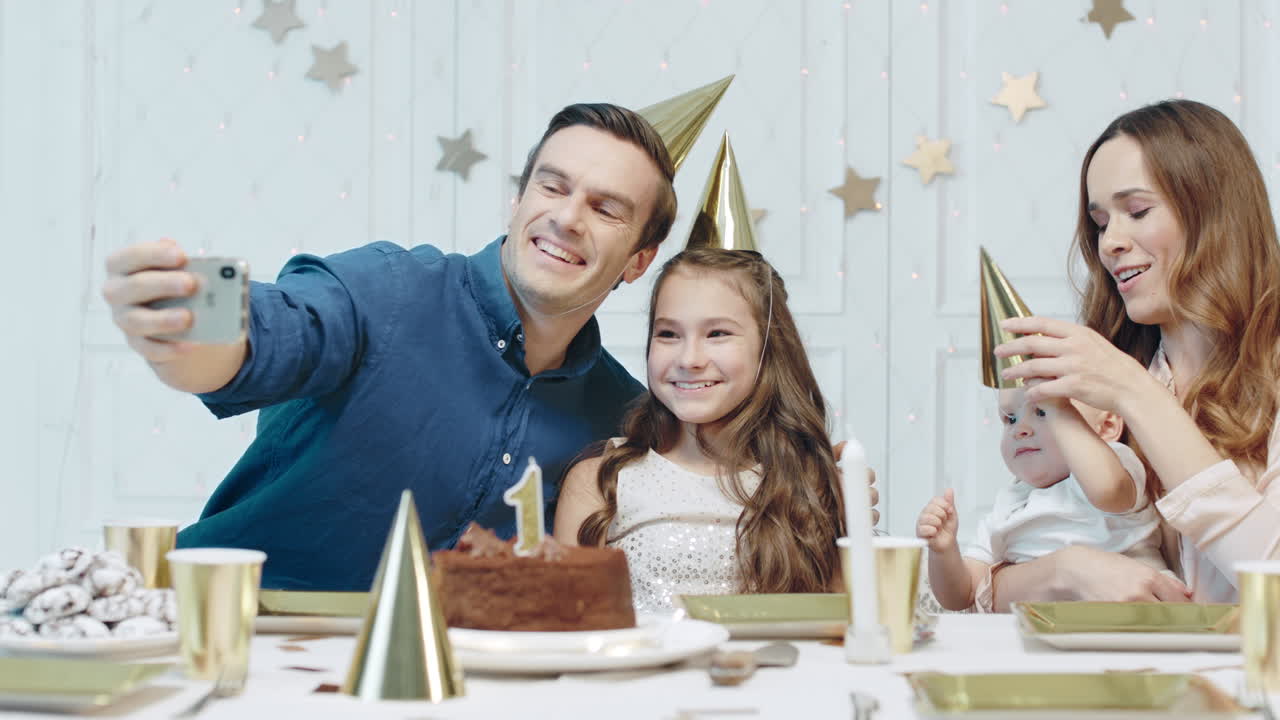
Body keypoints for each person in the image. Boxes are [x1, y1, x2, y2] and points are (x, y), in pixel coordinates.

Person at [101, 103, 678, 590]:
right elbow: (271, 333)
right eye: (552, 186)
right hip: (247, 634)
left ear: (638, 261)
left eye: (605, 209)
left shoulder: (619, 415)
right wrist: (186, 321)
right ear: (519, 200)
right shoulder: (388, 290)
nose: (567, 217)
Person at [992, 99, 1280, 606]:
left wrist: (1136, 394)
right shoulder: (1102, 381)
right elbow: (989, 574)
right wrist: (1066, 570)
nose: (1110, 244)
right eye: (1101, 222)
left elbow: (1271, 582)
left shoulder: (1123, 381)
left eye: (1138, 211)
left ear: (1214, 212)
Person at [553, 248, 846, 614]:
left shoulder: (805, 481)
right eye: (668, 334)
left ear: (769, 348)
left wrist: (846, 519)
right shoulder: (601, 481)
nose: (689, 359)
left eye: (717, 333)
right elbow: (566, 624)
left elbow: (840, 624)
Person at [917, 387, 1164, 612]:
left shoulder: (1115, 464)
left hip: (1140, 610)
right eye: (1010, 419)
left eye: (1044, 411)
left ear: (1107, 427)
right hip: (1046, 633)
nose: (1020, 429)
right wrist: (943, 552)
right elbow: (964, 594)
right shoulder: (1009, 504)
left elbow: (1108, 491)